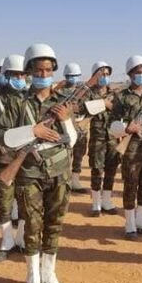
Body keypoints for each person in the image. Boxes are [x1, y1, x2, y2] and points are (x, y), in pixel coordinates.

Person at [0, 43, 77, 283]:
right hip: (29, 172)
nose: (43, 75)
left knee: (54, 224)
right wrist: (33, 132)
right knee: (31, 224)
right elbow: (2, 137)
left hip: (59, 171)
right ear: (29, 71)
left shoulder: (62, 102)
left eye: (47, 70)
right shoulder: (17, 102)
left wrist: (65, 121)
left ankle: (49, 274)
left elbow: (72, 139)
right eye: (38, 70)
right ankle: (32, 275)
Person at [110, 55, 142, 240]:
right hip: (131, 145)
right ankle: (130, 224)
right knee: (131, 184)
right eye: (137, 72)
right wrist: (126, 129)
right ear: (130, 74)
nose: (141, 75)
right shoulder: (121, 96)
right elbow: (112, 123)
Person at [0, 55, 27, 262]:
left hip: (28, 157)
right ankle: (7, 240)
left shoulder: (29, 97)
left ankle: (22, 238)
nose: (20, 78)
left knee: (27, 200)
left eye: (23, 74)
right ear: (5, 75)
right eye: (15, 74)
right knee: (3, 202)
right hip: (2, 157)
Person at [87, 61, 121, 216]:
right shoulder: (89, 93)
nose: (105, 77)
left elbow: (120, 112)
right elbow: (82, 108)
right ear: (95, 75)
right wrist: (102, 103)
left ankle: (107, 201)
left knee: (111, 170)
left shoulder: (114, 95)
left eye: (107, 74)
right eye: (102, 74)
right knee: (96, 170)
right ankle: (96, 204)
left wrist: (110, 106)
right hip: (97, 138)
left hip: (112, 138)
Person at [60, 62, 88, 194]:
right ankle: (64, 181)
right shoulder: (59, 90)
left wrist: (80, 108)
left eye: (76, 75)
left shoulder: (84, 90)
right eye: (71, 75)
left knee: (79, 155)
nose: (73, 78)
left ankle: (75, 181)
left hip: (81, 126)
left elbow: (89, 107)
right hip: (65, 127)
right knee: (65, 155)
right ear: (66, 76)